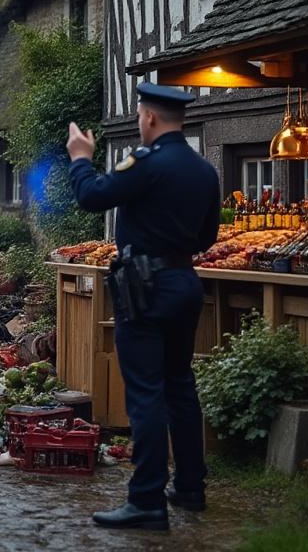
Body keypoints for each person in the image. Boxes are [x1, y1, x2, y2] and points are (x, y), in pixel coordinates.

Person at [66, 82, 220, 531]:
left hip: (145, 288)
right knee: (179, 386)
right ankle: (191, 486)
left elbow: (92, 195)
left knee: (147, 393)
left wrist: (80, 157)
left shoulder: (147, 163)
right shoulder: (204, 170)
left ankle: (147, 500)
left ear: (149, 118)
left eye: (138, 116)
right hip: (184, 283)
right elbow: (208, 238)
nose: (138, 122)